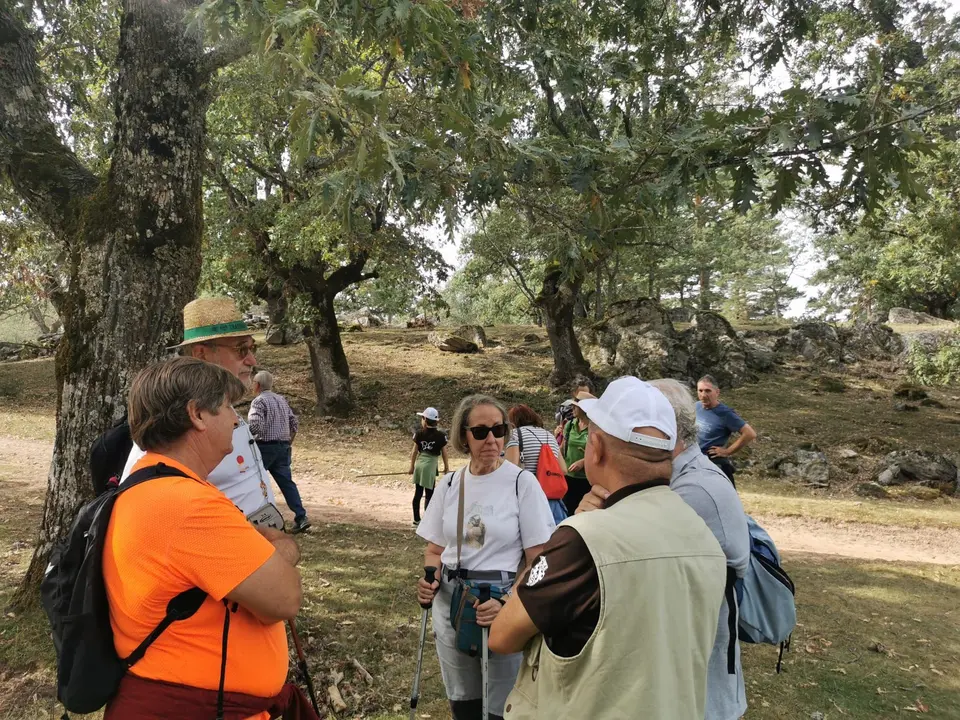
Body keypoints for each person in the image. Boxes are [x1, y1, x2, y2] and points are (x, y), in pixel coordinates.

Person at [488, 377, 726, 720]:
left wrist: (560, 541)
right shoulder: (701, 535)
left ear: (596, 447)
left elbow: (502, 635)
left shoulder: (583, 540)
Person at [102, 357, 313, 718]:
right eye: (229, 406)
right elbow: (284, 597)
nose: (235, 419)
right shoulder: (184, 505)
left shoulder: (150, 484)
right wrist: (283, 546)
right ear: (197, 415)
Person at [578, 378, 751, 720]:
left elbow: (617, 574)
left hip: (693, 688)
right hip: (664, 673)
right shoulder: (672, 481)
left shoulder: (694, 491)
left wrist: (588, 526)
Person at [415, 394, 556, 720]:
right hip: (451, 600)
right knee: (462, 696)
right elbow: (435, 550)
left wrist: (508, 601)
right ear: (464, 435)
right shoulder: (450, 483)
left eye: (498, 430)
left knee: (502, 700)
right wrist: (429, 577)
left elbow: (539, 561)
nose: (491, 439)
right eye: (480, 432)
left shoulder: (522, 483)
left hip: (501, 601)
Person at [120, 297, 278, 521]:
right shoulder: (175, 425)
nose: (252, 360)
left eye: (253, 347)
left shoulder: (222, 409)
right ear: (201, 354)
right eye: (241, 349)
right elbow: (140, 501)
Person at [249, 370, 311, 533]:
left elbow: (256, 426)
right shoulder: (281, 400)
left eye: (253, 382)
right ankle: (301, 516)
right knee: (287, 483)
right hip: (283, 446)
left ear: (257, 385)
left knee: (254, 481)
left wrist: (245, 435)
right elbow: (294, 423)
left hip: (264, 447)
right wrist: (288, 441)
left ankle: (257, 518)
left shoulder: (259, 402)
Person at [504, 404, 568, 524]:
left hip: (529, 498)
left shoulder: (515, 434)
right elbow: (563, 469)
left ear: (512, 421)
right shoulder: (549, 435)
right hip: (553, 499)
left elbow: (510, 468)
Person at [696, 374, 758, 487]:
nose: (703, 395)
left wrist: (727, 451)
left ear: (717, 392)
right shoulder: (696, 407)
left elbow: (750, 433)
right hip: (695, 463)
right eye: (700, 390)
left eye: (708, 391)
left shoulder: (725, 413)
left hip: (714, 465)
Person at [409, 406, 450, 527]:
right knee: (429, 494)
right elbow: (444, 453)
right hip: (431, 466)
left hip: (420, 464)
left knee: (418, 493)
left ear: (425, 420)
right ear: (436, 421)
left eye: (422, 418)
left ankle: (416, 520)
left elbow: (414, 452)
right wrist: (446, 467)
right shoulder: (441, 436)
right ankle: (428, 521)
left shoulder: (419, 434)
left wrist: (411, 467)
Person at [559, 391, 594, 515]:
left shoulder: (595, 428)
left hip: (587, 479)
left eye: (575, 406)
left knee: (584, 513)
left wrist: (583, 461)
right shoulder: (569, 425)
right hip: (569, 477)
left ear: (584, 409)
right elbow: (563, 447)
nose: (572, 408)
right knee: (567, 510)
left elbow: (601, 452)